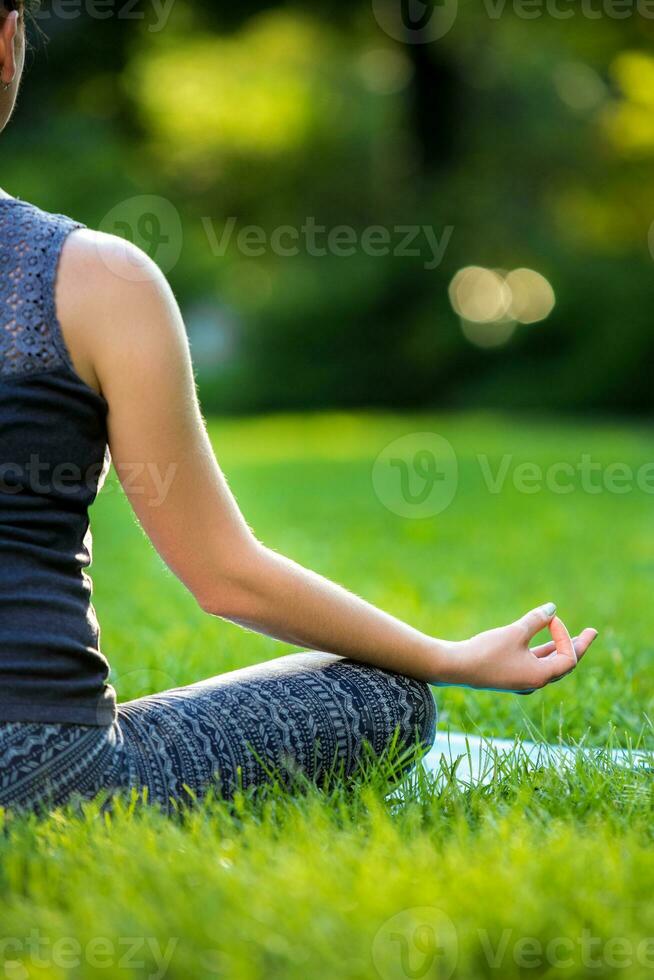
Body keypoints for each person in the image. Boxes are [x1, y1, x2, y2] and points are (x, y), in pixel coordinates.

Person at [0, 1, 597, 813]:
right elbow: (225, 575)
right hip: (47, 776)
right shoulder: (92, 279)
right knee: (389, 697)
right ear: (6, 45)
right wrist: (445, 655)